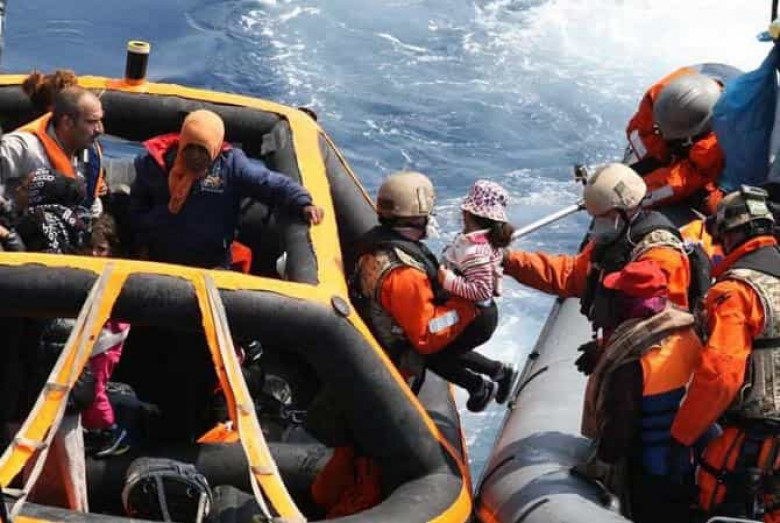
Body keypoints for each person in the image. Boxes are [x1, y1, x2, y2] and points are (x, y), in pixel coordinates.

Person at [353, 171, 515, 412]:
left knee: (439, 354)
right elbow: (428, 336)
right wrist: (466, 308)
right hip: (464, 313)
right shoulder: (405, 274)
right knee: (434, 354)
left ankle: (485, 381)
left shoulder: (375, 246)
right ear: (418, 219)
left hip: (461, 313)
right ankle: (490, 377)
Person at [670, 186, 780, 522]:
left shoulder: (736, 293)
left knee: (718, 500)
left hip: (755, 443)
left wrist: (682, 435)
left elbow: (720, 376)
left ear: (731, 234)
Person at [578, 260, 703, 523]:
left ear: (627, 302)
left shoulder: (634, 359)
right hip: (688, 464)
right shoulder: (688, 333)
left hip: (648, 471)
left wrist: (601, 463)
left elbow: (621, 423)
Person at [130, 109, 324, 269]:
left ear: (214, 147)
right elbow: (137, 206)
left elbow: (269, 183)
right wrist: (146, 236)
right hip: (160, 256)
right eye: (191, 147)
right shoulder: (154, 164)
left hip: (212, 262)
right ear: (182, 142)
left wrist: (302, 202)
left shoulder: (230, 166)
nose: (195, 156)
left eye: (202, 149)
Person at [626, 67, 735, 213]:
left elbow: (686, 178)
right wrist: (659, 158)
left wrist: (639, 197)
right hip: (673, 133)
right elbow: (637, 130)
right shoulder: (660, 96)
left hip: (712, 162)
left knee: (712, 203)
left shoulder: (714, 143)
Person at [0, 85, 106, 214]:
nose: (100, 129)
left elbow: (90, 204)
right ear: (67, 122)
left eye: (100, 120)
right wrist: (13, 207)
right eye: (91, 122)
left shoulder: (88, 151)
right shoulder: (21, 148)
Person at [81, 214, 131, 458]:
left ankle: (109, 432)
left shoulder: (118, 273)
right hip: (93, 337)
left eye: (101, 249)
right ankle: (93, 430)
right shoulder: (88, 271)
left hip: (109, 338)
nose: (94, 255)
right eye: (91, 248)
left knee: (95, 387)